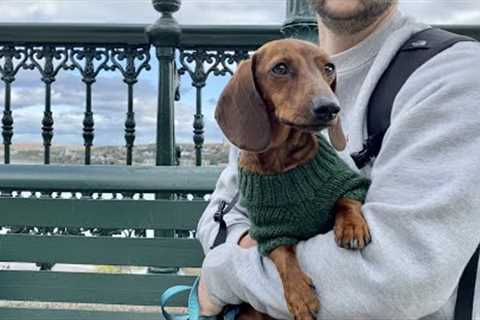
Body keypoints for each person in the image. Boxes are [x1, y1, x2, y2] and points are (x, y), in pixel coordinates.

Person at [196, 0, 480, 318]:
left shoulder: (455, 73)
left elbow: (400, 279)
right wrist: (265, 249)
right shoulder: (261, 96)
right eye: (282, 70)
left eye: (325, 70)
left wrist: (224, 276)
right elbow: (218, 222)